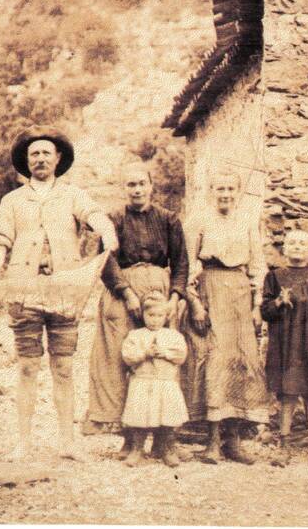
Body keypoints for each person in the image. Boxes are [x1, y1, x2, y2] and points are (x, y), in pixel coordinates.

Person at [0, 126, 117, 462]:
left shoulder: (72, 195)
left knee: (64, 367)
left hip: (64, 292)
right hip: (24, 291)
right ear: (26, 163)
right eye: (34, 154)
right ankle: (23, 442)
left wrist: (107, 230)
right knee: (27, 366)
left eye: (46, 153)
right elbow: (0, 239)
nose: (40, 159)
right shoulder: (12, 201)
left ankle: (67, 442)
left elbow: (94, 214)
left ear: (57, 159)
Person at [85, 161, 188, 463]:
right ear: (124, 189)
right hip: (122, 291)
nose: (137, 189)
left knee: (162, 361)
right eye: (130, 184)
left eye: (141, 183)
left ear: (151, 186)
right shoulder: (113, 219)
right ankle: (131, 440)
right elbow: (104, 259)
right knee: (122, 361)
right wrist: (125, 291)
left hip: (159, 291)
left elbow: (181, 262)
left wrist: (175, 297)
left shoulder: (168, 219)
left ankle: (164, 440)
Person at [185, 169, 269, 465]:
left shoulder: (247, 221)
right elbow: (188, 263)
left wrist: (258, 303)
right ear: (212, 191)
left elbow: (258, 265)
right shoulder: (199, 220)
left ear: (238, 191)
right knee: (216, 360)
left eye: (230, 189)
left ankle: (233, 440)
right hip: (211, 289)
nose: (225, 194)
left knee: (242, 361)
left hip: (239, 294)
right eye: (220, 188)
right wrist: (195, 303)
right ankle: (211, 441)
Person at [261, 229, 308, 467]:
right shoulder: (274, 277)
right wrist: (278, 302)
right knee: (288, 394)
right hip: (285, 347)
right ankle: (284, 445)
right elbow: (265, 311)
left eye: (302, 243)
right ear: (284, 249)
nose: (296, 247)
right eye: (291, 242)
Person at [121, 292, 189, 468]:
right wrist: (145, 354)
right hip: (143, 381)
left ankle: (167, 449)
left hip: (165, 382)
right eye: (151, 315)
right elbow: (128, 356)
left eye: (160, 316)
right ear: (143, 314)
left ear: (166, 316)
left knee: (167, 416)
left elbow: (181, 355)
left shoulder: (173, 335)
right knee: (140, 417)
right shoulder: (135, 335)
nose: (155, 320)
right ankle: (137, 449)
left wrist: (165, 353)